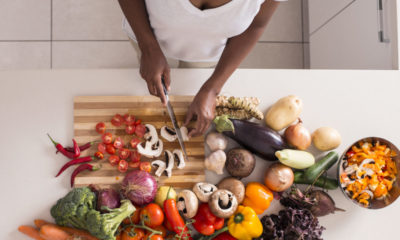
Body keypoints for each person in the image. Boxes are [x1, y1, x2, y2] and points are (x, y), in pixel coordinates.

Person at [119, 0, 283, 137]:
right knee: (147, 78)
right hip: (149, 38)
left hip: (207, 54)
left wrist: (212, 89)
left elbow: (257, 25)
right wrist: (148, 48)